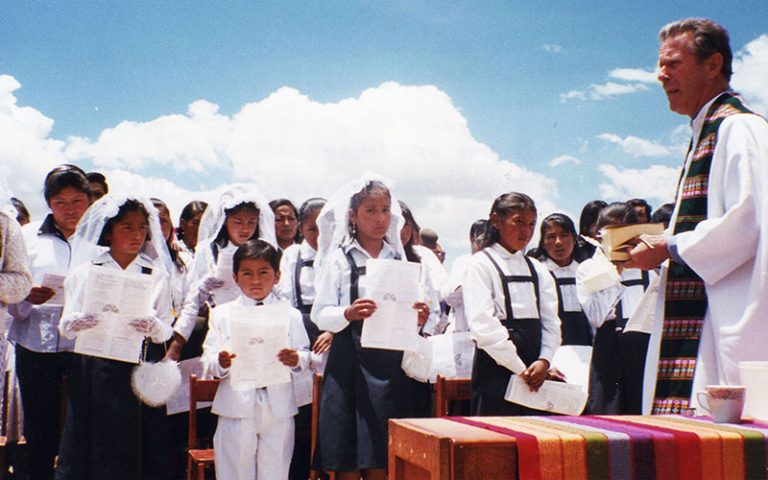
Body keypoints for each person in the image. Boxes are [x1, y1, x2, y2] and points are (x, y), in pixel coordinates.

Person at [627, 18, 768, 415]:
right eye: (661, 65)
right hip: (702, 311)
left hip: (728, 320)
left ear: (713, 64)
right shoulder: (703, 134)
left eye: (673, 64)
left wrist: (670, 246)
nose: (661, 75)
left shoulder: (740, 129)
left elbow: (748, 220)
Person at [311, 175, 427, 480]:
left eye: (385, 210)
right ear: (352, 215)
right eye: (370, 211)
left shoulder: (398, 260)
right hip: (348, 363)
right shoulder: (339, 259)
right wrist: (347, 313)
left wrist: (417, 316)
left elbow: (406, 308)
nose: (379, 219)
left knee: (380, 455)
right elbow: (320, 314)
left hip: (387, 367)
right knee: (347, 455)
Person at [55, 196, 174, 479]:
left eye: (142, 228)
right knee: (93, 441)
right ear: (109, 231)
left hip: (135, 367)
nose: (136, 235)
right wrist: (80, 321)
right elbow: (65, 326)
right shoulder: (87, 271)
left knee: (133, 444)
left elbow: (167, 329)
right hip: (94, 368)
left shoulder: (155, 273)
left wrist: (153, 325)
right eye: (127, 227)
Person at [8, 164, 91, 480]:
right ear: (49, 203)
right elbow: (11, 288)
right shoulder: (27, 237)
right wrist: (27, 296)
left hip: (82, 348)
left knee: (81, 426)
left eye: (77, 202)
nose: (70, 210)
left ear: (88, 200)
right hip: (35, 346)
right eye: (61, 203)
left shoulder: (100, 239)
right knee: (39, 428)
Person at [201, 239, 310, 480]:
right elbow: (208, 359)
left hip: (278, 406)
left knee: (276, 471)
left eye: (263, 273)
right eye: (247, 274)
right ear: (236, 278)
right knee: (235, 471)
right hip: (236, 405)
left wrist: (295, 359)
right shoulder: (222, 314)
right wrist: (221, 361)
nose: (256, 280)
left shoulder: (290, 315)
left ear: (277, 275)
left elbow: (304, 355)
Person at [463, 193, 560, 416]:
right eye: (518, 222)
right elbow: (483, 325)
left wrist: (544, 360)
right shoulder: (480, 264)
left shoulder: (537, 268)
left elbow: (551, 322)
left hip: (537, 371)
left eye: (531, 224)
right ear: (496, 221)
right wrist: (520, 369)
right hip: (497, 370)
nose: (526, 231)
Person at [166, 185, 276, 361]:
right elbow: (192, 302)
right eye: (238, 222)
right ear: (225, 220)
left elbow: (279, 292)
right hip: (220, 327)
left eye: (251, 223)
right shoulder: (207, 250)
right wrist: (177, 344)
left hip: (258, 325)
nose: (245, 229)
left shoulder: (266, 251)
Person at [276, 197, 333, 480]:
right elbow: (284, 298)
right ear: (302, 228)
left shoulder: (340, 255)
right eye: (312, 229)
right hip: (300, 335)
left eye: (325, 227)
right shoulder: (291, 256)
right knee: (301, 416)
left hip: (333, 338)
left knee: (330, 418)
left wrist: (334, 329)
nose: (319, 236)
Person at [577, 203, 653, 414]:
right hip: (610, 347)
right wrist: (614, 272)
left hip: (643, 346)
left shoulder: (649, 268)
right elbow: (596, 317)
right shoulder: (588, 269)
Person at [528, 213, 592, 346]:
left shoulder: (586, 272)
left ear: (574, 239)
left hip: (586, 346)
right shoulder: (537, 273)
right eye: (551, 237)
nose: (558, 242)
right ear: (543, 243)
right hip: (548, 348)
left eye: (564, 235)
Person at [444, 219, 488, 333]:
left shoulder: (495, 265)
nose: (485, 246)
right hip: (463, 331)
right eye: (481, 241)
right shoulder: (462, 262)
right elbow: (451, 299)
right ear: (472, 240)